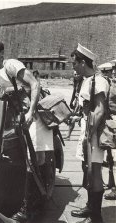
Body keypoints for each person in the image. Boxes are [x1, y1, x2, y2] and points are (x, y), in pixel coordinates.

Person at [0, 32, 54, 222]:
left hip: (35, 118)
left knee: (34, 162)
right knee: (32, 162)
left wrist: (31, 112)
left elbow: (35, 84)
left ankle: (29, 209)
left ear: (1, 52)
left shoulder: (11, 65)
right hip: (22, 121)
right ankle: (37, 203)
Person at [70, 44, 109, 223]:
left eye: (75, 63)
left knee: (95, 173)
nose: (73, 67)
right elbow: (87, 108)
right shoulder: (87, 80)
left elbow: (100, 110)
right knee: (87, 170)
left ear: (83, 62)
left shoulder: (98, 81)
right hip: (87, 130)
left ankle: (96, 216)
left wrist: (89, 133)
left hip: (94, 134)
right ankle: (90, 206)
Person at [98, 61, 116, 201]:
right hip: (110, 121)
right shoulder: (110, 83)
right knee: (110, 155)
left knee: (113, 155)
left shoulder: (111, 84)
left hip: (113, 121)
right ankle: (112, 183)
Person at [64, 70, 84, 140]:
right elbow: (74, 92)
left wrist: (79, 96)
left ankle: (68, 135)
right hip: (77, 103)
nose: (76, 76)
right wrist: (71, 101)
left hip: (82, 103)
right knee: (72, 118)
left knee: (75, 118)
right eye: (75, 74)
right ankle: (68, 135)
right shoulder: (76, 82)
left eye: (77, 74)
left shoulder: (84, 82)